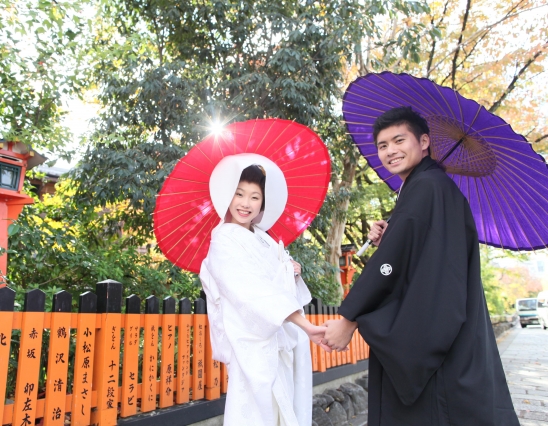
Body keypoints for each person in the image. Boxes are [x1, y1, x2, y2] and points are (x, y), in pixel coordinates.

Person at [322, 107, 519, 425]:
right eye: (382, 145)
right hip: (452, 327)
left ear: (424, 141)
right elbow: (417, 253)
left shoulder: (426, 188)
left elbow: (391, 265)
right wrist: (391, 237)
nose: (390, 151)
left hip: (434, 340)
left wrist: (349, 317)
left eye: (399, 140)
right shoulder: (432, 187)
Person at [200, 157, 330, 426]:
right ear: (227, 195)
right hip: (252, 341)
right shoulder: (223, 240)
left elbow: (275, 283)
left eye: (254, 197)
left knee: (284, 408)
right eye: (239, 194)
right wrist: (304, 324)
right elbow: (251, 291)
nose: (245, 204)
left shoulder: (263, 238)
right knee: (257, 412)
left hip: (280, 338)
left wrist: (290, 271)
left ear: (263, 202)